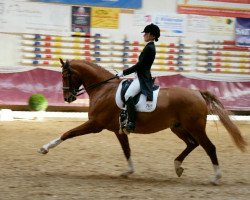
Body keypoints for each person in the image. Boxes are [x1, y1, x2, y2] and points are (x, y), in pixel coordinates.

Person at [116, 23, 160, 133]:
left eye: (146, 33)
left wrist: (123, 73)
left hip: (142, 78)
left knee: (128, 95)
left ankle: (131, 122)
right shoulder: (149, 46)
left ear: (152, 35)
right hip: (140, 76)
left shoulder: (150, 48)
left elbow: (139, 66)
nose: (144, 35)